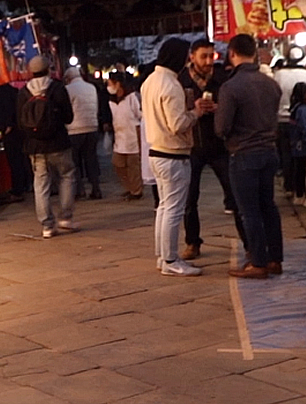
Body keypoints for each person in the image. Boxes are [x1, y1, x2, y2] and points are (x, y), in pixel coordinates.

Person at [142, 38, 212, 277]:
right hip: (172, 153)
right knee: (173, 209)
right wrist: (196, 112)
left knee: (164, 208)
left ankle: (163, 257)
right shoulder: (170, 84)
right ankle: (171, 259)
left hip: (156, 151)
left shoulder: (150, 80)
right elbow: (177, 124)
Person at [216, 34, 284, 279]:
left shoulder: (231, 87)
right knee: (268, 206)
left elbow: (221, 128)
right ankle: (275, 259)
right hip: (269, 151)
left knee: (249, 211)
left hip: (244, 153)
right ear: (254, 53)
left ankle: (258, 261)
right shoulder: (270, 83)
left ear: (232, 53)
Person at [177, 39, 247, 260]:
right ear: (192, 57)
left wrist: (219, 109)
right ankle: (192, 242)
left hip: (219, 145)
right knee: (189, 198)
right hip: (192, 145)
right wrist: (193, 110)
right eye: (203, 56)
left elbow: (234, 108)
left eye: (211, 56)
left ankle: (249, 243)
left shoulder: (222, 79)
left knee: (235, 194)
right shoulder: (181, 81)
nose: (208, 61)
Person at [17, 55, 75, 239]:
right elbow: (68, 117)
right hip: (58, 142)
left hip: (35, 147)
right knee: (67, 176)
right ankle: (65, 218)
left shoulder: (23, 93)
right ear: (48, 69)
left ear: (31, 72)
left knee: (41, 184)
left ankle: (47, 226)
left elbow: (20, 122)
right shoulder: (57, 88)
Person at [273, 45, 306, 196]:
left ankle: (290, 186)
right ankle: (301, 189)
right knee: (303, 157)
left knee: (287, 154)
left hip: (282, 120)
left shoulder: (279, 75)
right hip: (303, 120)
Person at [64, 66, 102, 200]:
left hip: (74, 130)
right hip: (92, 127)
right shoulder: (91, 88)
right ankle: (96, 188)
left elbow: (66, 110)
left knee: (75, 161)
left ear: (68, 78)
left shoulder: (68, 90)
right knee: (91, 159)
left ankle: (79, 190)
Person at [0, 82, 31, 202]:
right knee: (22, 159)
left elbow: (2, 110)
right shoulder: (16, 90)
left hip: (11, 132)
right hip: (21, 130)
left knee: (15, 161)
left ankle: (18, 189)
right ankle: (26, 184)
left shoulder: (1, 90)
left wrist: (5, 127)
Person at [106, 71, 142, 200]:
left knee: (134, 167)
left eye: (110, 83)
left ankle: (136, 191)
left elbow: (140, 116)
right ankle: (129, 187)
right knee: (118, 164)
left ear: (118, 84)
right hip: (120, 139)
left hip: (132, 138)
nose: (108, 86)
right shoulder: (111, 101)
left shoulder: (132, 97)